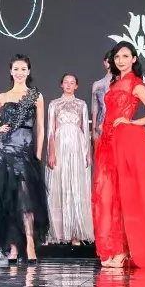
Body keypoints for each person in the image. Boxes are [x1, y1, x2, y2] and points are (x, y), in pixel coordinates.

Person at [92, 41, 145, 269]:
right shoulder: (114, 83)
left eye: (125, 56)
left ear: (133, 59)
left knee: (126, 194)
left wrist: (131, 122)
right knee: (109, 195)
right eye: (117, 57)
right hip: (108, 142)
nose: (120, 60)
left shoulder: (136, 84)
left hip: (124, 141)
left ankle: (123, 251)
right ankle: (114, 248)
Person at [0, 55, 49, 262]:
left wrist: (38, 154)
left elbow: (41, 128)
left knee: (27, 199)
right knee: (7, 199)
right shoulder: (3, 96)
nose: (19, 73)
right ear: (11, 72)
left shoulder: (36, 96)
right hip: (4, 151)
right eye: (16, 69)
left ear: (28, 71)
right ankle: (13, 247)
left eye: (23, 69)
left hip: (25, 151)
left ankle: (30, 243)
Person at [46, 74, 94, 245]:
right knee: (60, 185)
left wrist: (87, 153)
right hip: (60, 146)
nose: (68, 85)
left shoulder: (81, 104)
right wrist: (51, 152)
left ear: (76, 86)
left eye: (72, 82)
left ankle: (76, 232)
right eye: (66, 82)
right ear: (61, 84)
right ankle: (61, 232)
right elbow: (51, 131)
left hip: (77, 148)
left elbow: (85, 129)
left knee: (76, 186)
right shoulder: (54, 104)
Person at [90, 53, 112, 143]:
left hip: (118, 125)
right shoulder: (97, 84)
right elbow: (95, 108)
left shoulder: (123, 83)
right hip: (101, 124)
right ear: (104, 62)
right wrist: (93, 130)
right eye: (109, 61)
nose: (111, 64)